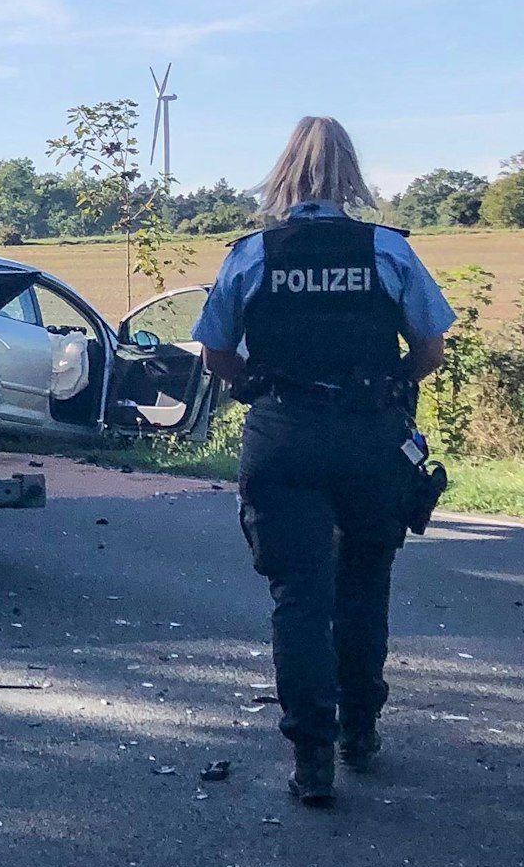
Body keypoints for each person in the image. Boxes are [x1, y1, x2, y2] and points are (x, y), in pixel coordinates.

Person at [192, 117, 454, 806]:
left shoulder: (252, 254)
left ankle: (312, 756)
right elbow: (432, 348)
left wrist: (258, 384)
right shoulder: (388, 251)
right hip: (372, 437)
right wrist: (393, 383)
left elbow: (215, 353)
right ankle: (360, 727)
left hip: (284, 435)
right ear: (351, 176)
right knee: (365, 582)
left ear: (282, 175)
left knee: (299, 596)